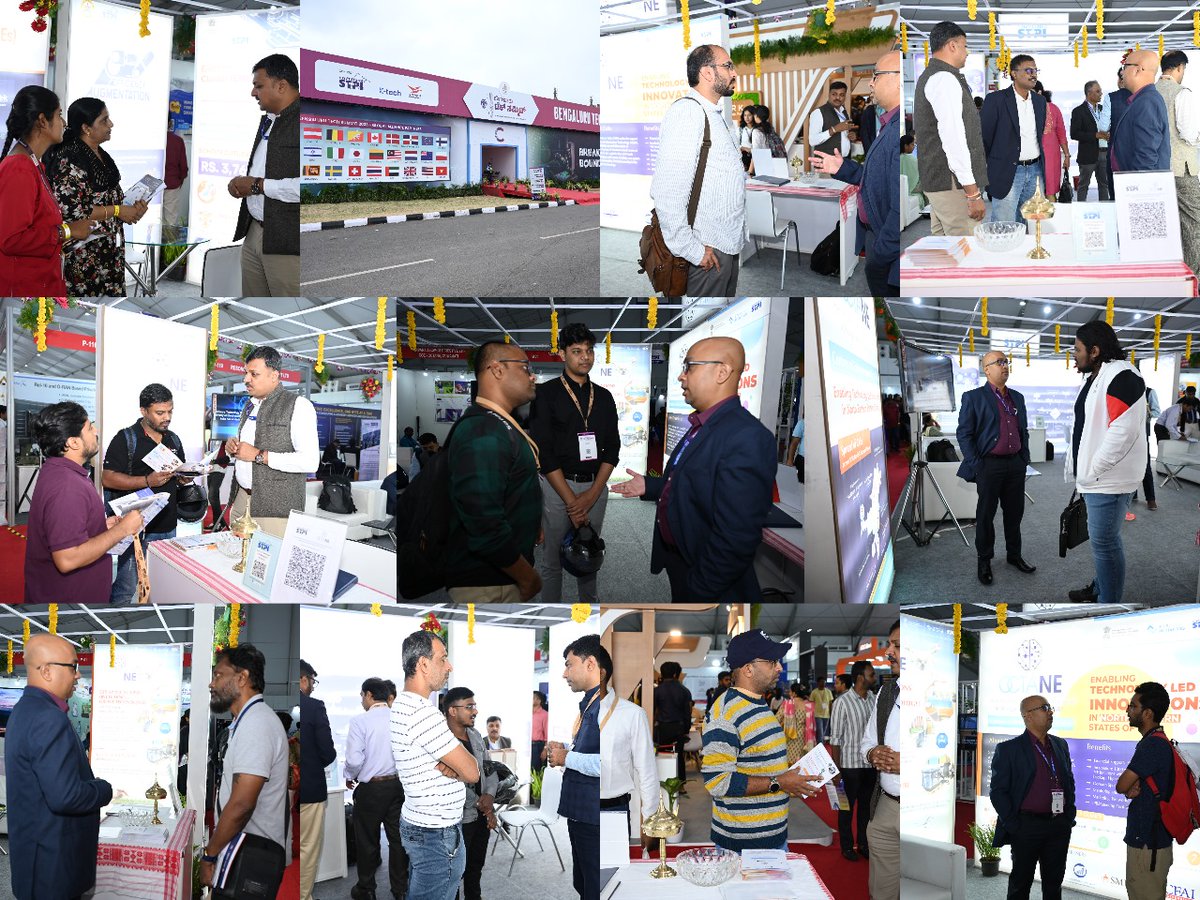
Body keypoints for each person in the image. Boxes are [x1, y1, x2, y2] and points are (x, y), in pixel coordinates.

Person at [611, 337, 776, 602]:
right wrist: (651, 486)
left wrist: (699, 591)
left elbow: (736, 537)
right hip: (682, 563)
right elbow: (695, 480)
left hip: (705, 582)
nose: (680, 377)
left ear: (722, 372)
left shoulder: (747, 437)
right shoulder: (704, 424)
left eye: (689, 367)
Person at [6, 634, 113, 899]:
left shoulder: (24, 710)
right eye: (73, 667)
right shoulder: (47, 718)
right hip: (52, 866)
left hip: (37, 859)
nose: (77, 676)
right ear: (46, 671)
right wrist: (103, 789)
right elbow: (65, 796)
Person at [702, 629, 822, 852]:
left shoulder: (756, 704)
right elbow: (717, 781)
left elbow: (759, 762)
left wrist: (791, 778)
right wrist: (779, 782)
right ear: (748, 668)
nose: (779, 668)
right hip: (742, 845)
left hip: (772, 836)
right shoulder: (726, 713)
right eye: (771, 662)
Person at [527, 323, 619, 602]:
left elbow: (612, 448)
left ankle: (588, 611)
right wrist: (572, 502)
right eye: (577, 351)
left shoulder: (604, 396)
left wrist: (591, 495)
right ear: (562, 354)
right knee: (552, 560)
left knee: (588, 554)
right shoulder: (545, 394)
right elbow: (544, 451)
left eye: (589, 351)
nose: (585, 357)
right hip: (558, 487)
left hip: (595, 486)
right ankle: (550, 612)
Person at [446, 341, 542, 601]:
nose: (532, 376)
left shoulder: (499, 424)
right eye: (525, 367)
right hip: (488, 584)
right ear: (497, 370)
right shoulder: (483, 431)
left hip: (499, 576)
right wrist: (529, 578)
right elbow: (484, 525)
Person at [649, 43, 745, 296]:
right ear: (707, 73)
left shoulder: (713, 114)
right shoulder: (687, 113)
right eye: (728, 66)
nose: (734, 73)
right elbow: (667, 191)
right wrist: (692, 250)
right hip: (706, 250)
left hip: (725, 245)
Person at [25, 401, 144, 602]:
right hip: (69, 600)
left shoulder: (61, 472)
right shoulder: (67, 486)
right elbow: (67, 558)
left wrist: (100, 526)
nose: (95, 430)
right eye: (89, 427)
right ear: (73, 442)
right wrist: (122, 530)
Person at [393, 630, 480, 900]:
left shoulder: (402, 705)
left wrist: (453, 766)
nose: (449, 666)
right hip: (435, 833)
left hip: (421, 823)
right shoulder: (423, 713)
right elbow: (472, 772)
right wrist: (458, 768)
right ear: (423, 664)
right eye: (443, 658)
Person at [1066, 321, 1147, 603]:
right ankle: (1101, 587)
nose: (1074, 354)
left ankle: (1108, 607)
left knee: (1105, 544)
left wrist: (1092, 469)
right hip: (1098, 480)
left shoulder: (1122, 377)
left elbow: (1122, 432)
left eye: (1077, 349)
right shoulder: (1098, 376)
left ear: (1095, 350)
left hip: (1108, 481)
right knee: (1102, 541)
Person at [201, 644, 290, 896]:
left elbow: (242, 804)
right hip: (244, 850)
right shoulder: (248, 721)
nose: (212, 684)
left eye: (218, 675)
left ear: (242, 678)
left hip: (251, 855)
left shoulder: (257, 724)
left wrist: (210, 854)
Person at [812, 50, 901, 296]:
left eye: (877, 76)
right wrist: (843, 168)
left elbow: (896, 205)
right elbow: (875, 177)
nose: (871, 83)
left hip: (884, 242)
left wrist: (881, 252)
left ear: (897, 79)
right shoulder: (888, 124)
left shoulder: (894, 129)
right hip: (876, 236)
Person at [44, 97, 148, 296]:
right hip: (84, 255)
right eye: (104, 120)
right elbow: (73, 210)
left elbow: (108, 199)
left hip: (109, 252)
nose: (111, 125)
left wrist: (131, 210)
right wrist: (118, 210)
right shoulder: (69, 159)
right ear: (86, 128)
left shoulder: (101, 155)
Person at [102, 383, 194, 604]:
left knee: (162, 588)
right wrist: (146, 481)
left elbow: (176, 470)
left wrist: (183, 477)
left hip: (168, 526)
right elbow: (107, 478)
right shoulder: (126, 438)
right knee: (126, 586)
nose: (167, 417)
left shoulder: (174, 439)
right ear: (144, 411)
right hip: (137, 528)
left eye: (170, 411)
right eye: (160, 413)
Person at [0, 85, 95, 294]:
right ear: (43, 121)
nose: (64, 123)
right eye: (59, 115)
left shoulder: (33, 164)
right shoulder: (19, 168)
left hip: (40, 281)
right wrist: (68, 230)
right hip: (24, 288)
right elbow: (11, 239)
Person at [956, 349, 1035, 586]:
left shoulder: (1018, 397)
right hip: (989, 465)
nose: (1004, 365)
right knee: (986, 515)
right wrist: (977, 465)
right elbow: (964, 434)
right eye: (998, 362)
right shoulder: (973, 397)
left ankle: (1014, 555)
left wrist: (1024, 458)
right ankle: (984, 560)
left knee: (1014, 514)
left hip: (1015, 465)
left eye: (1006, 362)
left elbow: (1023, 430)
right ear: (986, 369)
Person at [224, 345, 320, 539]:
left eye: (254, 374)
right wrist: (232, 448)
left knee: (269, 565)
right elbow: (247, 448)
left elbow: (310, 461)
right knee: (236, 561)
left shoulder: (299, 406)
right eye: (246, 373)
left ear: (274, 375)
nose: (246, 379)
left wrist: (259, 455)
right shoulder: (250, 406)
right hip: (243, 498)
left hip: (275, 508)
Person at [989, 696, 1076, 900]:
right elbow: (998, 791)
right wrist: (1013, 824)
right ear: (1028, 716)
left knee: (1054, 884)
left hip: (1058, 826)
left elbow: (1068, 782)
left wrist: (1068, 816)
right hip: (1026, 826)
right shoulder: (1009, 749)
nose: (1050, 712)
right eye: (1045, 708)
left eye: (1050, 708)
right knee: (1020, 884)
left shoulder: (1060, 745)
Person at [229, 53, 300, 296]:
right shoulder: (270, 120)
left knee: (288, 303)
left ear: (281, 85)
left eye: (258, 86)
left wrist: (258, 185)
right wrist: (242, 184)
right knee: (252, 301)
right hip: (254, 232)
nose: (253, 93)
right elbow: (265, 169)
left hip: (286, 239)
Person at [912, 21, 988, 235]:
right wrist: (972, 193)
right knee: (966, 247)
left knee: (945, 248)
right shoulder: (944, 78)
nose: (967, 52)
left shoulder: (935, 75)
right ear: (952, 46)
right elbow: (953, 139)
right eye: (965, 46)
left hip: (942, 181)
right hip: (953, 183)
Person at [546, 635, 605, 900]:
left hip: (593, 815)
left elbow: (607, 763)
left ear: (590, 663)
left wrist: (565, 758)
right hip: (582, 812)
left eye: (569, 665)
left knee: (593, 886)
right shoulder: (591, 702)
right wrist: (567, 751)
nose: (564, 673)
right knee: (583, 883)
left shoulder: (603, 705)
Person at [345, 676, 406, 900]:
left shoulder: (360, 721)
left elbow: (353, 760)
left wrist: (349, 776)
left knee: (367, 840)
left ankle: (367, 889)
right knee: (398, 841)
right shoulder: (399, 719)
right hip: (397, 787)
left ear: (369, 695)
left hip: (371, 790)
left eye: (362, 695)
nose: (362, 700)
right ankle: (400, 890)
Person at [1116, 682, 1176, 897]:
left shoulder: (1153, 745)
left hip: (1148, 843)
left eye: (1133, 706)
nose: (1127, 710)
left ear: (1148, 713)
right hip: (1151, 840)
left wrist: (1128, 786)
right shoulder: (1157, 741)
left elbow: (1121, 785)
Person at [444, 686, 499, 900]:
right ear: (452, 711)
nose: (475, 711)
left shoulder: (475, 736)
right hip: (458, 819)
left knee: (475, 869)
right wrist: (479, 802)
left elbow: (489, 769)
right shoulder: (442, 740)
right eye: (469, 706)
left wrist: (490, 798)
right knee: (454, 874)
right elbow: (448, 780)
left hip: (481, 816)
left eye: (474, 706)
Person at [981, 55, 1048, 225]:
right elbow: (985, 137)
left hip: (1035, 171)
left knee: (1031, 223)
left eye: (1035, 70)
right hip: (1007, 171)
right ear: (1014, 74)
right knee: (1004, 224)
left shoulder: (1040, 102)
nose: (1033, 74)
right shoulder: (996, 100)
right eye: (1028, 70)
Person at [599, 652, 659, 838]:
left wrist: (650, 820)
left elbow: (647, 770)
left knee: (614, 867)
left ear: (600, 673)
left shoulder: (632, 714)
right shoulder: (579, 712)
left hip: (612, 808)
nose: (566, 674)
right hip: (579, 806)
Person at [862, 620, 901, 900]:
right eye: (890, 644)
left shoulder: (937, 691)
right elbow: (867, 740)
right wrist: (873, 753)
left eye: (897, 646)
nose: (889, 652)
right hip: (886, 805)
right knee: (882, 892)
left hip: (922, 809)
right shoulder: (887, 692)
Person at [1156, 50, 1200, 279]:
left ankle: (1171, 274)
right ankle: (1193, 277)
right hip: (1183, 167)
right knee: (1193, 222)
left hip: (1158, 168)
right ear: (1180, 68)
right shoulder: (1182, 93)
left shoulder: (1150, 92)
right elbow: (1188, 133)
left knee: (1167, 224)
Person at [829, 660, 877, 862]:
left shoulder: (873, 699)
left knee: (866, 808)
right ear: (860, 678)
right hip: (848, 766)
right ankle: (847, 846)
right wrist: (836, 769)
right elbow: (836, 738)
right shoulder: (842, 702)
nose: (874, 678)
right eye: (871, 675)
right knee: (845, 809)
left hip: (869, 766)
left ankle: (864, 844)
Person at [300, 660, 337, 900]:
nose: (313, 686)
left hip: (285, 791)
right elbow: (328, 752)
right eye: (313, 681)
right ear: (304, 679)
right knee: (308, 847)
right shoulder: (314, 707)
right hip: (311, 788)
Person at [1109, 51, 1170, 179]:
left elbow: (1146, 154)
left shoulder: (1147, 101)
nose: (1122, 73)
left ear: (1138, 69)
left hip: (1141, 188)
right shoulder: (1142, 99)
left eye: (1125, 67)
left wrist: (1139, 190)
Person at [654, 661, 694, 787]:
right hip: (679, 728)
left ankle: (665, 783)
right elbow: (688, 712)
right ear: (676, 674)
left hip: (663, 729)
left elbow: (653, 711)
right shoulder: (684, 691)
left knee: (664, 756)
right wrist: (686, 729)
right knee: (679, 757)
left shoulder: (657, 691)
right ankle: (681, 785)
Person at [1070, 80, 1111, 201]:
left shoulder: (1103, 109)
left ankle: (1104, 210)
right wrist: (1095, 135)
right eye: (1098, 91)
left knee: (1104, 184)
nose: (1101, 93)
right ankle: (1080, 212)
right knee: (1083, 185)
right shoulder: (1078, 111)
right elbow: (1074, 134)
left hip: (1105, 152)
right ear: (1089, 93)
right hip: (1088, 154)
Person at [1033, 82, 1070, 200]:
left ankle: (1052, 218)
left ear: (1039, 92)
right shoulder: (1023, 109)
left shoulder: (1053, 109)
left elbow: (1061, 134)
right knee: (1031, 191)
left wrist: (1067, 155)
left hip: (1051, 155)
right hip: (1031, 156)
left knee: (1050, 189)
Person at [808, 81, 852, 161]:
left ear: (845, 96)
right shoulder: (818, 112)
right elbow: (812, 140)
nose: (838, 98)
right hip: (827, 162)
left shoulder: (843, 111)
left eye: (841, 95)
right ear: (829, 94)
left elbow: (842, 133)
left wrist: (850, 136)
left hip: (844, 161)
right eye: (834, 94)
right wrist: (834, 129)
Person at [1133, 386, 1161, 510]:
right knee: (1128, 466)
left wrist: (1146, 413)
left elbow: (1156, 411)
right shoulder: (1125, 390)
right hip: (1127, 433)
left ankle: (1150, 498)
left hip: (1143, 434)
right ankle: (1132, 493)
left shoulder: (1149, 392)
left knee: (1146, 466)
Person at [163, 122, 188, 241]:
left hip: (151, 187)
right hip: (171, 184)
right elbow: (183, 166)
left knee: (151, 219)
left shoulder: (151, 139)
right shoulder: (177, 140)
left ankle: (150, 251)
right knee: (170, 220)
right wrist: (180, 181)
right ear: (169, 123)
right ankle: (169, 251)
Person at [747, 104, 786, 174]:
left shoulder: (757, 131)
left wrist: (750, 171)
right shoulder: (770, 129)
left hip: (765, 165)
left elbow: (756, 152)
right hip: (778, 164)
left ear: (756, 116)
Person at [777, 683, 808, 766]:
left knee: (787, 762)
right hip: (801, 739)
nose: (789, 693)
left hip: (787, 738)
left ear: (794, 693)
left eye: (790, 691)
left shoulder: (787, 704)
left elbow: (776, 720)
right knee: (799, 763)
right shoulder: (808, 706)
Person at [810, 678, 833, 744]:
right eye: (821, 682)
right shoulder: (814, 692)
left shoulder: (828, 691)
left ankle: (820, 744)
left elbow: (830, 703)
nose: (823, 683)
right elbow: (811, 703)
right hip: (817, 715)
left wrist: (831, 713)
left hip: (826, 715)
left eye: (824, 682)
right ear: (818, 683)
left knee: (823, 732)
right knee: (820, 732)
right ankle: (820, 746)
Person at [532, 689, 549, 772]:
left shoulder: (544, 714)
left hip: (537, 746)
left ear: (539, 701)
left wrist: (545, 750)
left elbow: (547, 734)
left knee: (535, 771)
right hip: (527, 746)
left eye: (533, 697)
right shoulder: (527, 713)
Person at [785, 416, 804, 484]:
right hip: (802, 460)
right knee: (799, 484)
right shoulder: (802, 423)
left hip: (816, 460)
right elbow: (794, 443)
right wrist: (790, 460)